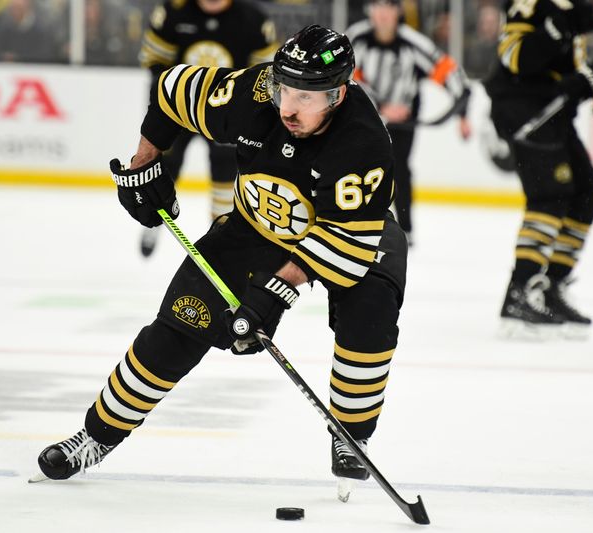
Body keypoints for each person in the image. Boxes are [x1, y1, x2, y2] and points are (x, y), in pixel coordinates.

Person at [34, 25, 408, 496]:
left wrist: (274, 293)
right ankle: (95, 436)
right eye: (283, 88)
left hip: (356, 233)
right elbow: (172, 90)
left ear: (338, 94)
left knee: (370, 316)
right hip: (255, 226)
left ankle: (352, 436)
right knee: (174, 330)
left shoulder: (363, 144)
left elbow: (345, 242)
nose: (287, 107)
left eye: (305, 97)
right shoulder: (252, 96)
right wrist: (143, 165)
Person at [483, 0, 593, 340]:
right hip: (524, 110)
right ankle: (519, 293)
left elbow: (562, 75)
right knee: (548, 197)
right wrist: (559, 28)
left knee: (586, 195)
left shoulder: (573, 7)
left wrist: (587, 82)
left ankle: (550, 287)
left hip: (553, 113)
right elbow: (516, 58)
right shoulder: (533, 5)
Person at [138, 0, 277, 257]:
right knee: (167, 164)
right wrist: (164, 106)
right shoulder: (172, 12)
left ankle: (221, 234)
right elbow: (155, 63)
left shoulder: (254, 20)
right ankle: (154, 219)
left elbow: (266, 77)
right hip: (181, 107)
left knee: (226, 170)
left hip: (228, 110)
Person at [346, 0, 472, 245]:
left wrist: (462, 113)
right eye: (377, 6)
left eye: (388, 7)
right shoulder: (356, 39)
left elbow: (448, 72)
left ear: (398, 11)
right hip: (364, 120)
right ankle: (357, 226)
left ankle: (405, 230)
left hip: (402, 124)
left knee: (399, 171)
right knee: (359, 170)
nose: (382, 13)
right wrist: (381, 107)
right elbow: (345, 77)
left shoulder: (412, 43)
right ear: (369, 10)